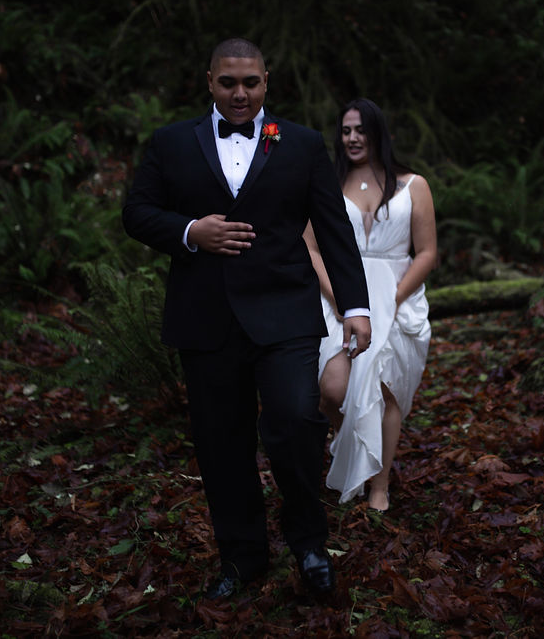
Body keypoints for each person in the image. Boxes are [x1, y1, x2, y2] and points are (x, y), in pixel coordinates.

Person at [122, 38, 372, 601]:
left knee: (294, 422)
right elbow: (136, 213)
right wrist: (190, 232)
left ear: (267, 81)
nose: (240, 93)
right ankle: (243, 559)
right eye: (229, 83)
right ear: (209, 80)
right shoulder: (169, 143)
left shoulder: (302, 144)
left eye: (251, 83)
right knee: (221, 443)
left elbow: (333, 229)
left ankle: (309, 544)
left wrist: (356, 306)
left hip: (285, 311)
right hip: (204, 317)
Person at [303, 98, 436, 512]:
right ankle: (355, 444)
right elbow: (309, 247)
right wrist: (339, 298)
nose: (353, 138)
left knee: (385, 391)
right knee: (332, 390)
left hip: (396, 293)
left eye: (360, 129)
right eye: (345, 131)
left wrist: (392, 299)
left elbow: (427, 252)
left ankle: (379, 487)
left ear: (379, 132)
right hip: (338, 293)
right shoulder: (326, 183)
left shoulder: (413, 185)